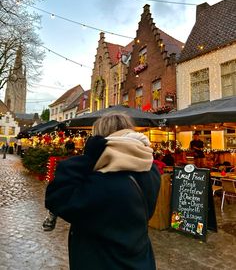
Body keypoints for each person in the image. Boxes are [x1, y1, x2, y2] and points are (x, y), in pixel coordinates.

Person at [45, 112, 161, 270]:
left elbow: (57, 198)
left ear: (101, 140)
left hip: (103, 260)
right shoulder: (150, 168)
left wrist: (88, 158)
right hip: (140, 257)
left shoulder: (104, 180)